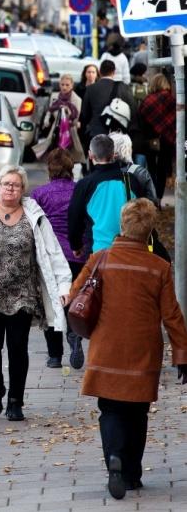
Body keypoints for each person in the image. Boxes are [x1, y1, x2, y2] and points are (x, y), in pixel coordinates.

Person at [69, 198, 187, 499]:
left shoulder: (99, 259)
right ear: (149, 232)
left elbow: (74, 297)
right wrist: (182, 355)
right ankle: (132, 473)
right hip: (143, 351)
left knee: (109, 409)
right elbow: (172, 314)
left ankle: (114, 462)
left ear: (122, 226)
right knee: (137, 412)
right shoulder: (159, 267)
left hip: (106, 347)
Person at [0, 166, 72, 422]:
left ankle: (15, 401)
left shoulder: (35, 215)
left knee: (18, 347)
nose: (10, 188)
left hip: (23, 292)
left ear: (23, 190)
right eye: (6, 184)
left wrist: (64, 286)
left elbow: (53, 253)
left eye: (16, 185)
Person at [30, 149, 86, 370]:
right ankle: (73, 334)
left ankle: (54, 356)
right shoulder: (80, 190)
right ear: (70, 168)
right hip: (77, 253)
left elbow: (33, 225)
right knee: (73, 297)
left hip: (51, 256)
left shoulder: (40, 194)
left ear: (50, 170)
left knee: (51, 302)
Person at [67, 134, 147, 257]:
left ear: (90, 155)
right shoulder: (131, 180)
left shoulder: (85, 185)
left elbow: (74, 218)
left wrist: (76, 245)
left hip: (99, 252)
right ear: (114, 154)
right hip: (131, 251)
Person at [138, 73, 176, 203]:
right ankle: (158, 198)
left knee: (151, 169)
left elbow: (141, 119)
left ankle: (152, 197)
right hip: (167, 139)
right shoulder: (171, 99)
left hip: (151, 140)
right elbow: (176, 120)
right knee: (162, 169)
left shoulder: (148, 100)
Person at [79, 59, 135, 144]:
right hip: (117, 133)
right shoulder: (124, 88)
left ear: (100, 72)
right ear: (114, 72)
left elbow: (85, 113)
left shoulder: (91, 88)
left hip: (96, 133)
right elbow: (132, 111)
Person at [41, 74, 84, 168]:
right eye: (62, 84)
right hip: (56, 130)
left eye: (67, 85)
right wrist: (46, 118)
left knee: (68, 157)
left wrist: (68, 112)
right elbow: (50, 109)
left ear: (72, 85)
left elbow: (75, 119)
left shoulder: (76, 99)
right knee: (54, 155)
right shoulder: (55, 96)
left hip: (69, 132)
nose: (64, 87)